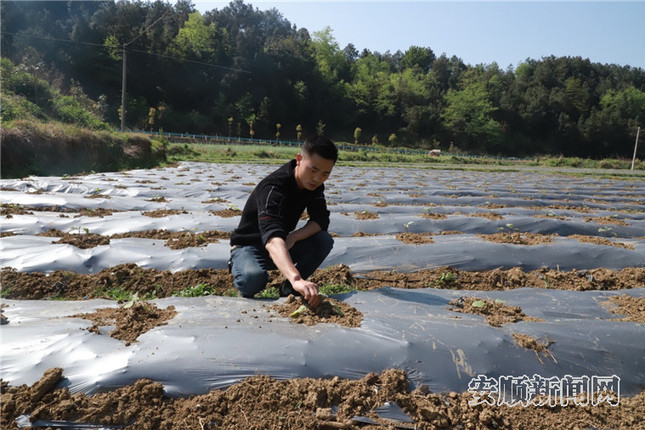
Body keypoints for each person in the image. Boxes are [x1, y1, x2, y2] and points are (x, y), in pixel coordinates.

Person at [229, 135, 338, 308]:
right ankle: (243, 274)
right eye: (313, 170)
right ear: (299, 159)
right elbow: (271, 235)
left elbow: (321, 220)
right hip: (250, 246)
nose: (317, 179)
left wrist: (294, 237)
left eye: (325, 174)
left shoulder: (315, 187)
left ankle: (288, 291)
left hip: (282, 243)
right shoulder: (273, 188)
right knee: (253, 278)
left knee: (323, 240)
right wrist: (296, 278)